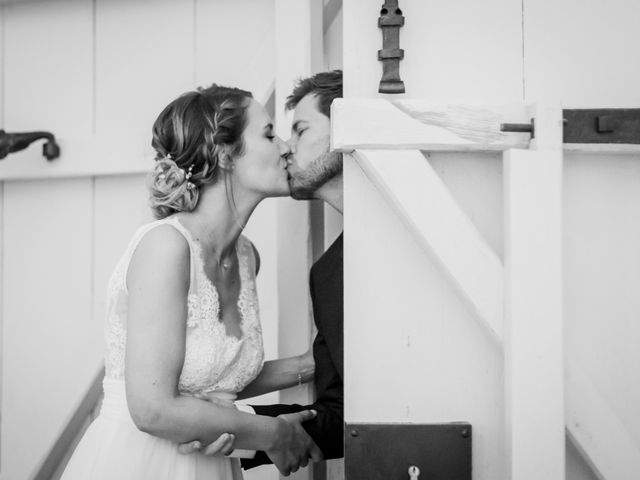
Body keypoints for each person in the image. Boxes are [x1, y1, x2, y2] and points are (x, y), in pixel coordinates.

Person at [60, 84, 323, 480]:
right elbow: (152, 408)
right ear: (224, 154)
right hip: (139, 463)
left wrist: (314, 364)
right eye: (269, 134)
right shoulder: (166, 247)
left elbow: (214, 375)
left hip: (208, 462)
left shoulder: (247, 256)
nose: (285, 147)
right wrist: (274, 433)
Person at [190, 70, 345, 470]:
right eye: (274, 134)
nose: (286, 149)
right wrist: (242, 430)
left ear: (349, 128)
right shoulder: (328, 274)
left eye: (300, 130)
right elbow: (341, 412)